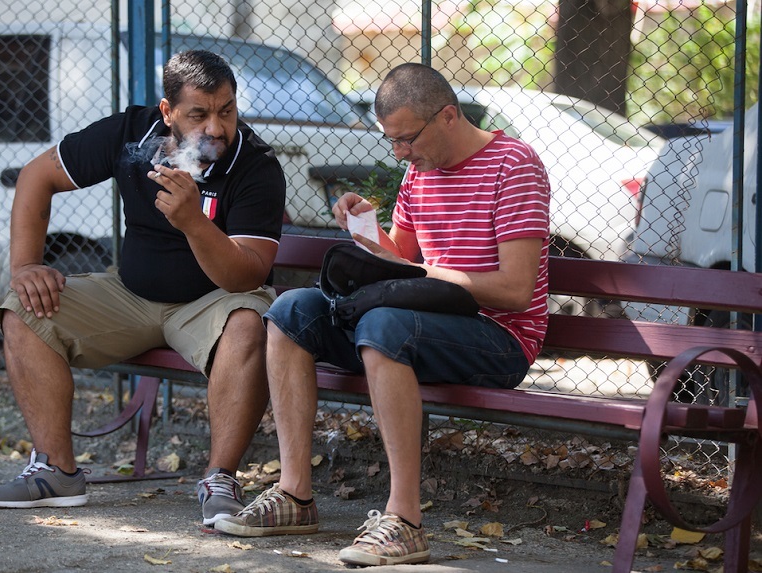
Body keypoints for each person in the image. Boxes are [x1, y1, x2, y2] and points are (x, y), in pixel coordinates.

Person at [214, 63, 551, 566]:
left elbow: (516, 290)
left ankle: (405, 521)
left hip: (498, 337)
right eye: (391, 141)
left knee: (381, 325)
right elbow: (400, 266)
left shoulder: (513, 164)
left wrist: (428, 273)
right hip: (419, 322)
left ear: (449, 117)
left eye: (407, 139)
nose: (400, 154)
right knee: (290, 310)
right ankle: (295, 494)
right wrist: (366, 228)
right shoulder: (421, 172)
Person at [0, 50, 286, 526]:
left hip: (213, 302)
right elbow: (37, 177)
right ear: (168, 112)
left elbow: (246, 276)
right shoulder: (131, 135)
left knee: (249, 323)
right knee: (23, 308)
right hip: (131, 296)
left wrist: (192, 224)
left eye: (226, 110)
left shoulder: (256, 164)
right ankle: (56, 472)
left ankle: (220, 478)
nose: (217, 128)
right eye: (199, 115)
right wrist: (25, 265)